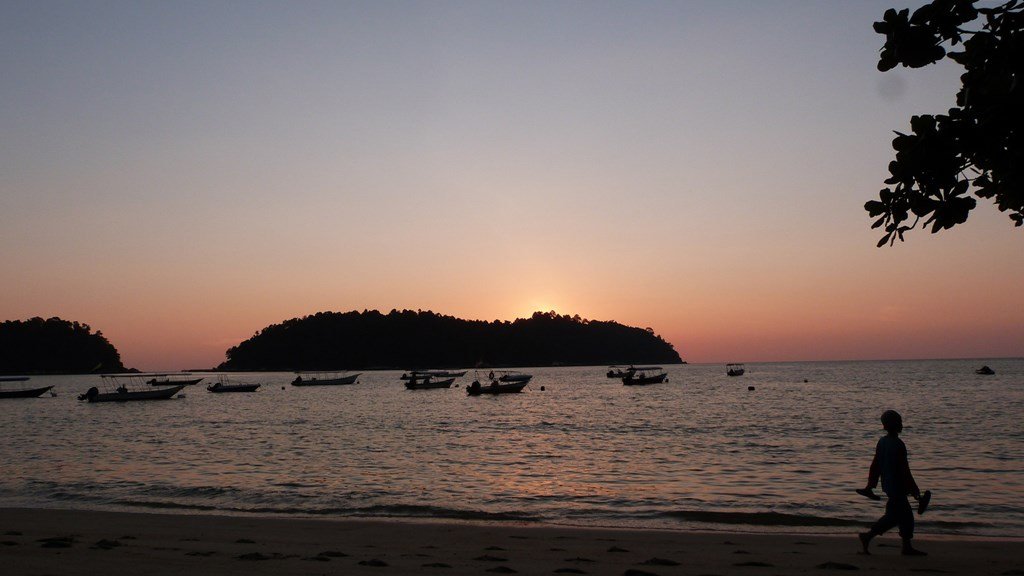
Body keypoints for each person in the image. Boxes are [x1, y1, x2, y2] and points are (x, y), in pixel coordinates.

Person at [857, 410, 927, 556]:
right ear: (894, 425)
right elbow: (904, 470)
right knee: (896, 517)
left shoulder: (882, 442)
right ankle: (868, 537)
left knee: (901, 516)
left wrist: (870, 485)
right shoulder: (898, 444)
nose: (901, 424)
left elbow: (875, 465)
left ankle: (905, 547)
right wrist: (914, 489)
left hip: (888, 485)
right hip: (898, 487)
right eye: (899, 422)